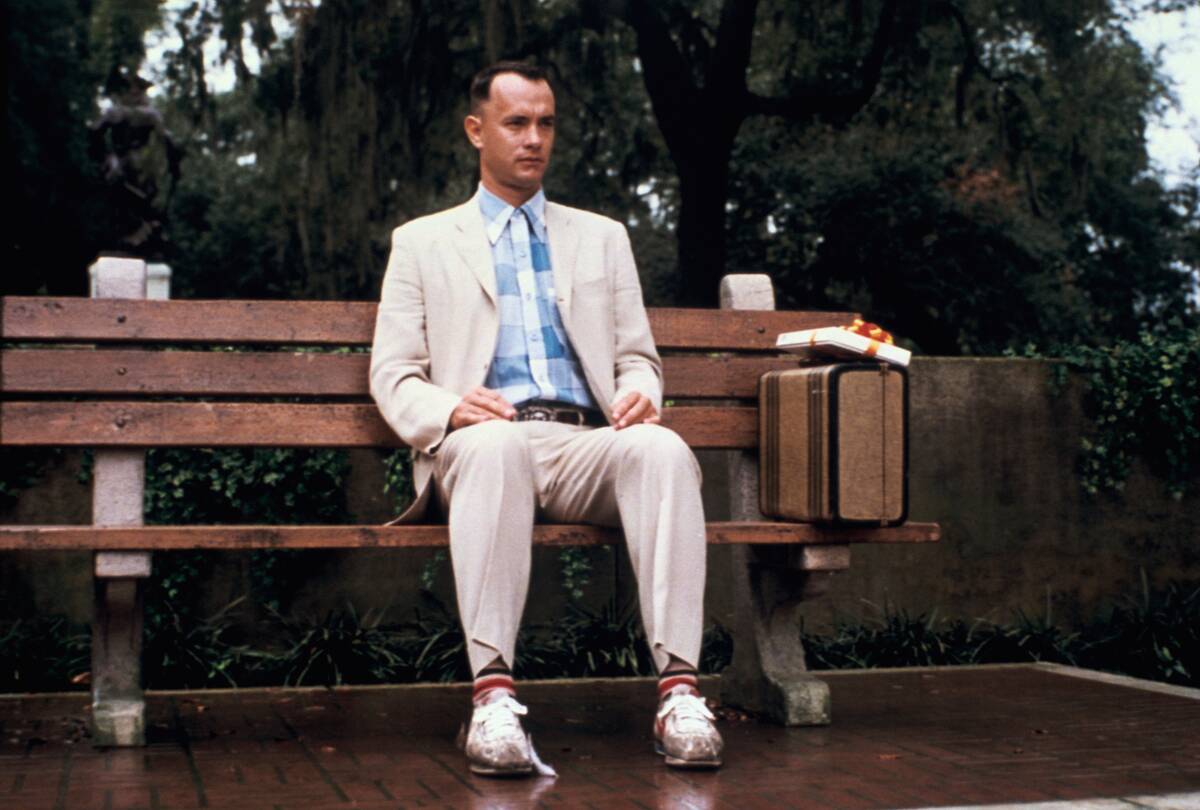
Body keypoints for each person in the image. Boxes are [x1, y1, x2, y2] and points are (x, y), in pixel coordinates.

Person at [369, 61, 722, 775]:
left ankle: (679, 692)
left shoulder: (602, 237)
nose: (534, 139)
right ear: (477, 131)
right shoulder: (423, 242)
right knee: (496, 443)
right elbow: (394, 374)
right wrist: (449, 408)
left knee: (660, 450)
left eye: (546, 123)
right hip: (477, 446)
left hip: (581, 442)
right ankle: (492, 702)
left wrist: (642, 393)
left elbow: (637, 358)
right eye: (516, 123)